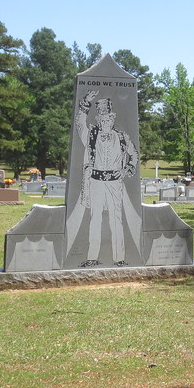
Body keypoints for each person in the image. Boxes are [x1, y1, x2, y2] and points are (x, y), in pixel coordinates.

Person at [67, 90, 140, 267]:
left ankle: (119, 258)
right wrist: (86, 102)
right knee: (95, 219)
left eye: (109, 119)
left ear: (113, 119)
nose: (106, 122)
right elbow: (79, 123)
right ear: (98, 121)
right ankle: (92, 257)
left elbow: (134, 154)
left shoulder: (122, 137)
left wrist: (127, 169)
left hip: (115, 183)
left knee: (116, 219)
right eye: (102, 120)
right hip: (96, 181)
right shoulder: (90, 135)